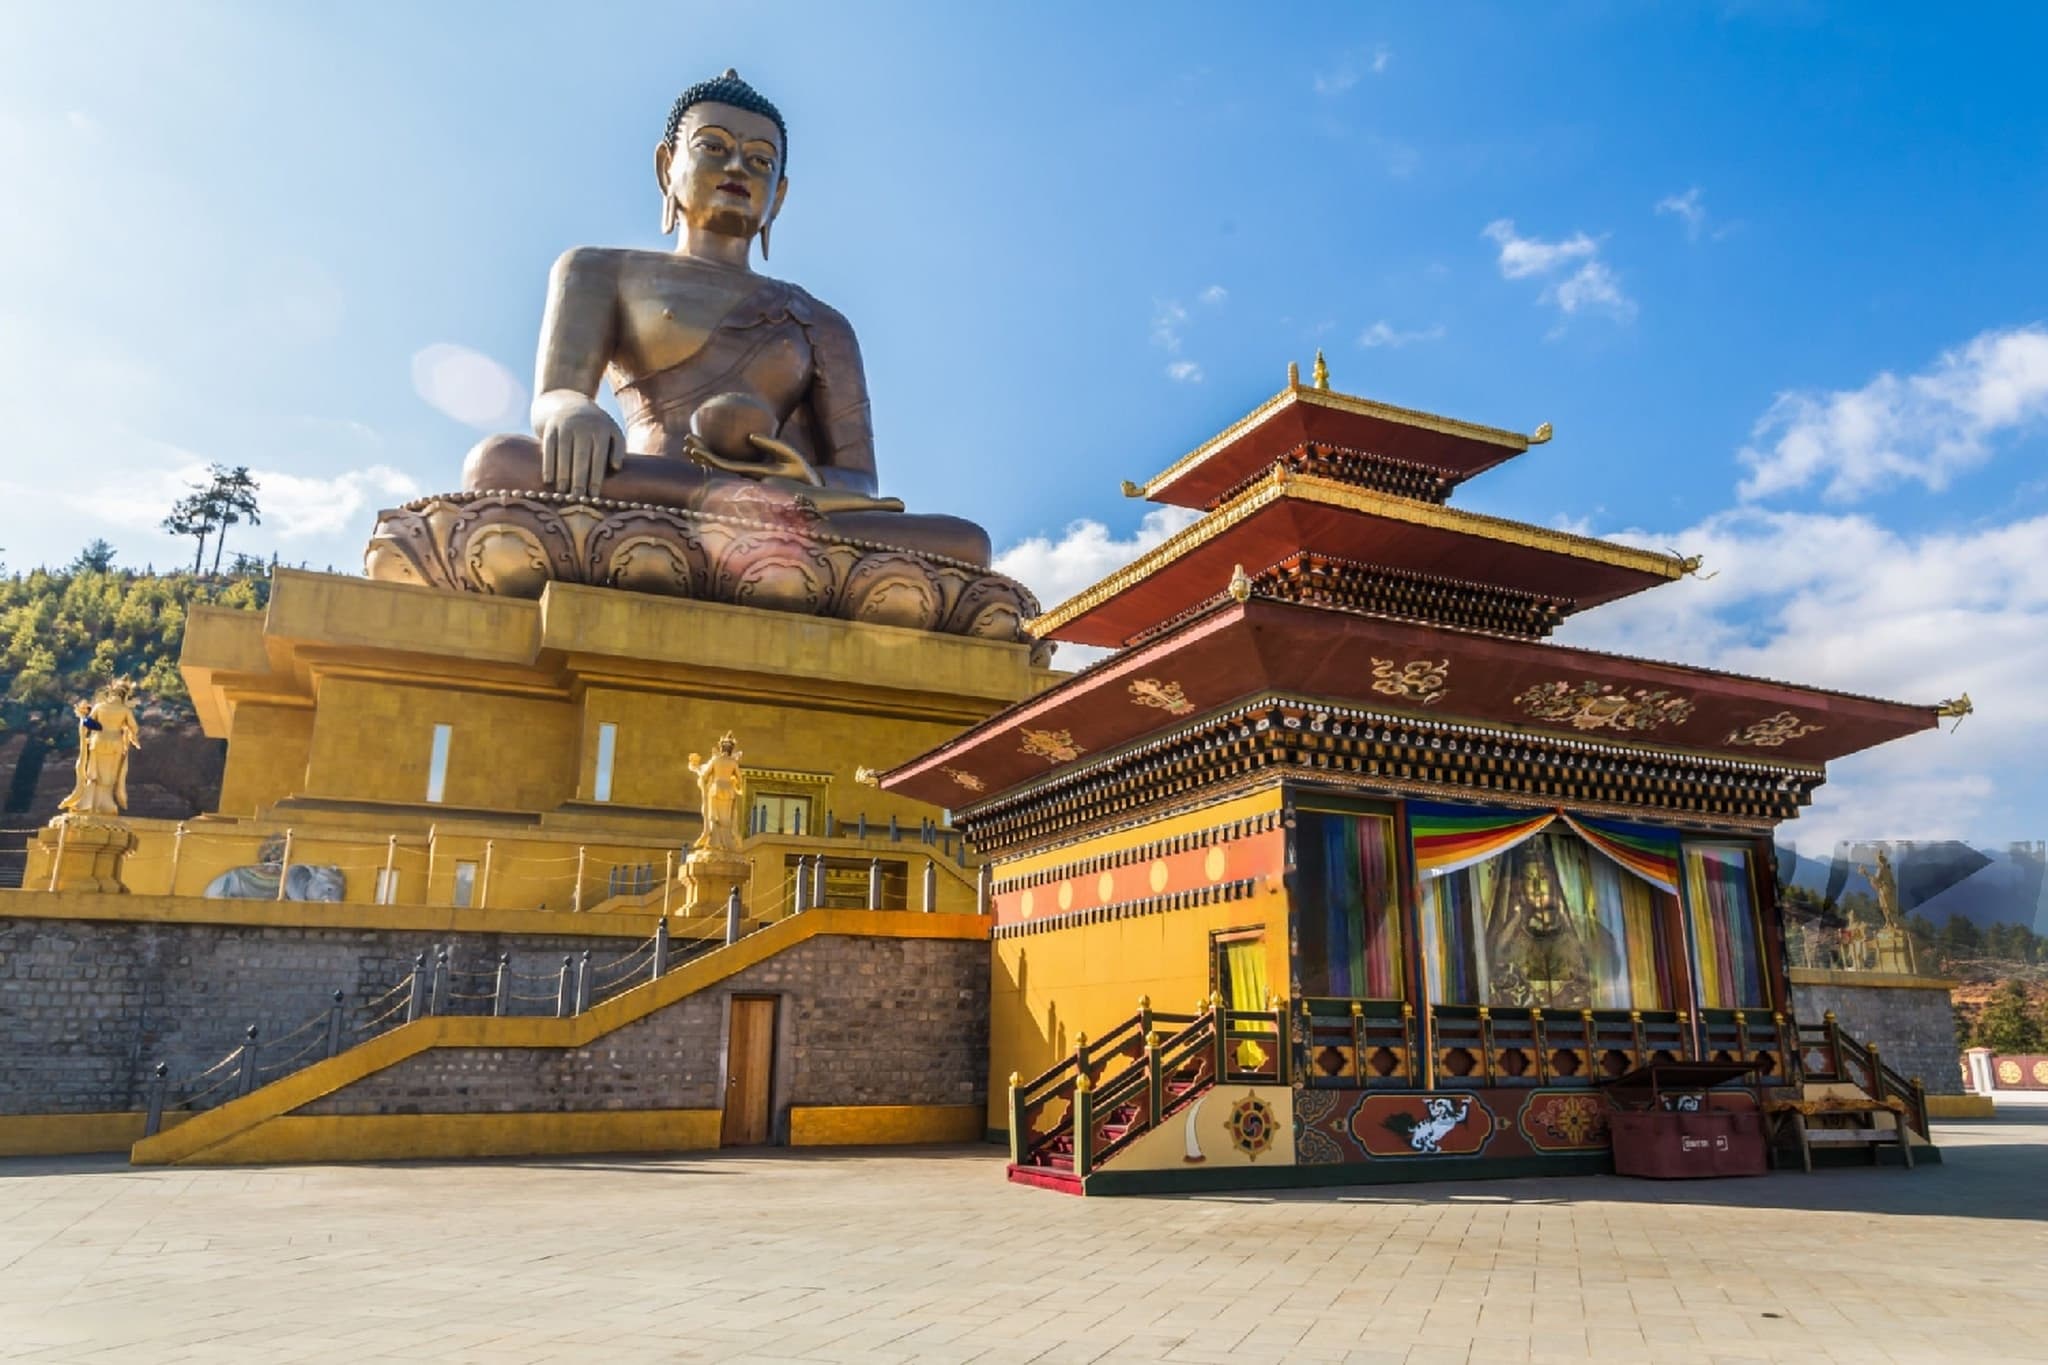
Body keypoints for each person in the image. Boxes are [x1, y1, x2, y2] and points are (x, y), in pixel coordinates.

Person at [460, 69, 991, 567]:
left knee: (965, 543)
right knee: (502, 465)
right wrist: (570, 412)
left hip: (775, 504)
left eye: (760, 161)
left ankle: (720, 523)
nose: (738, 168)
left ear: (778, 195)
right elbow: (555, 394)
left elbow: (859, 483)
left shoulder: (820, 321)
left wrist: (789, 481)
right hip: (646, 483)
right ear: (668, 166)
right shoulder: (599, 270)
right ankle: (727, 521)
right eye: (714, 147)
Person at [57, 682, 139, 817]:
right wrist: (128, 733)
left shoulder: (100, 707)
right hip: (115, 744)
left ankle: (87, 803)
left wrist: (83, 718)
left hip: (98, 742)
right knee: (109, 776)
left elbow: (88, 722)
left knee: (93, 773)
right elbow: (134, 727)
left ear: (111, 693)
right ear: (124, 696)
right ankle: (105, 804)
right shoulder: (125, 711)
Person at [688, 733, 747, 854]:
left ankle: (714, 842)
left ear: (721, 748)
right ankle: (727, 843)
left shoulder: (716, 760)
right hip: (729, 791)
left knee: (713, 816)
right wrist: (735, 783)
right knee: (726, 818)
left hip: (715, 789)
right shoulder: (733, 762)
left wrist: (703, 780)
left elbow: (705, 774)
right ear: (731, 749)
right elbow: (740, 780)